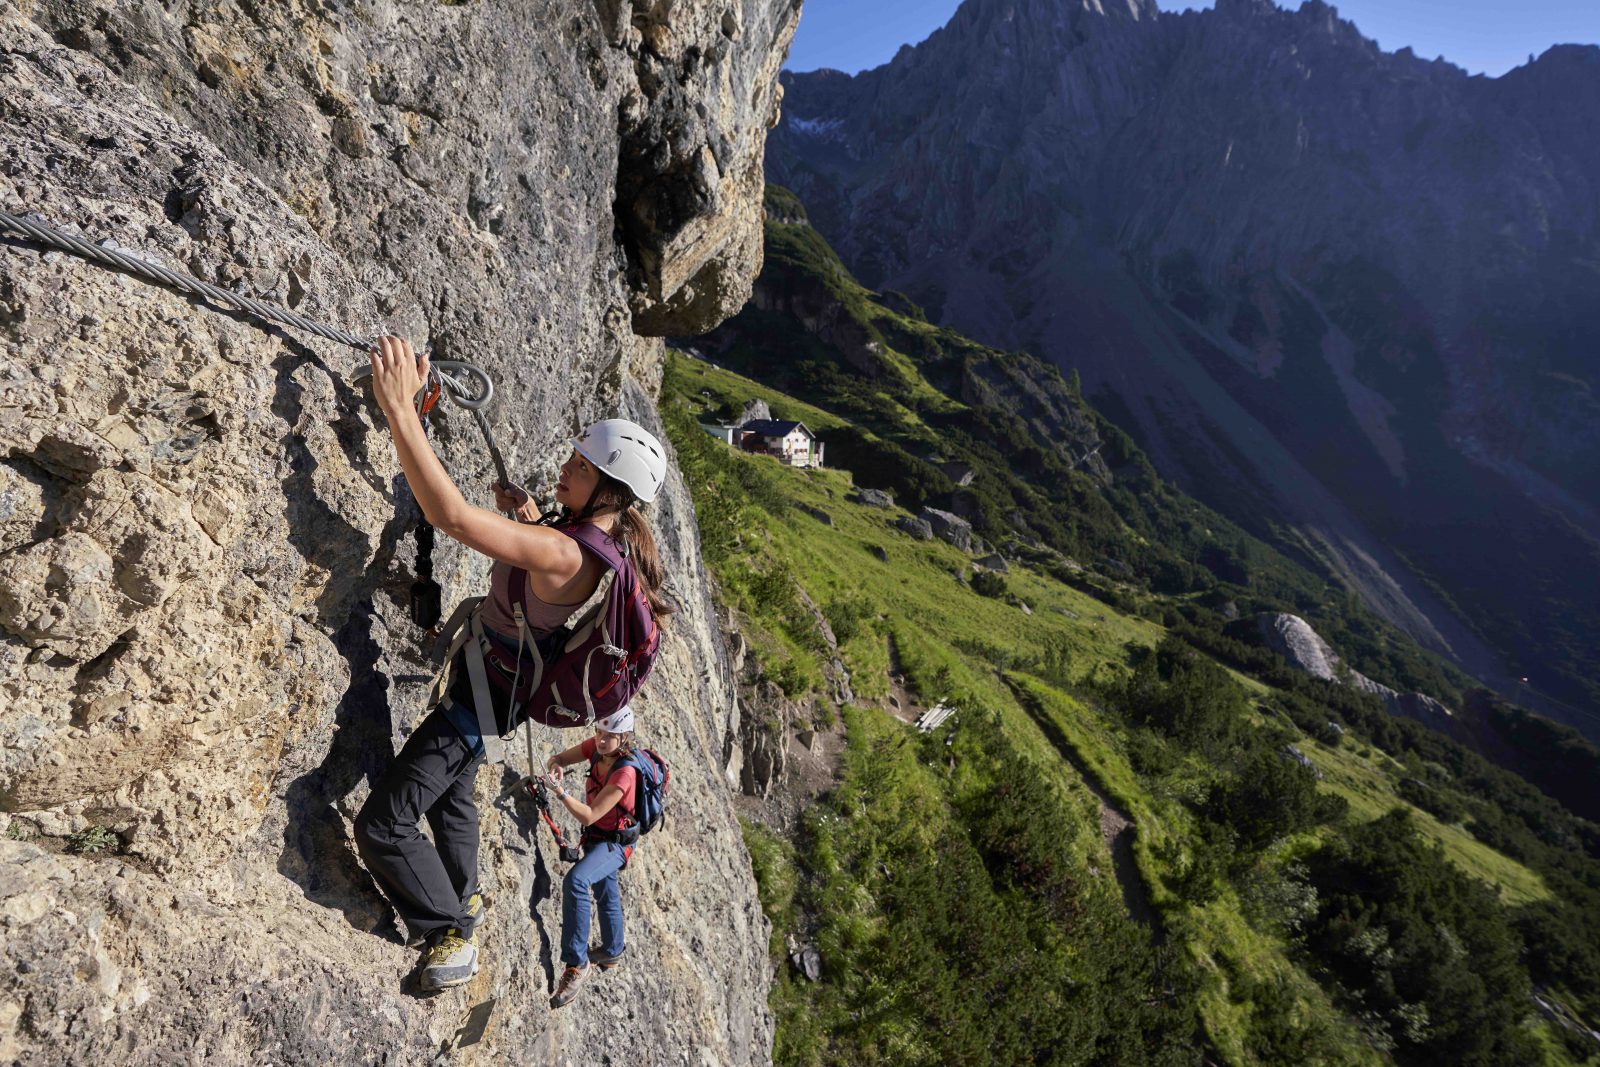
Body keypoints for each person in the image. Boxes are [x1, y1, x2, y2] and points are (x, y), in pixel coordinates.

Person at [353, 335, 672, 992]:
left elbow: (454, 518)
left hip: (483, 693)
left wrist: (401, 411)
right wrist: (530, 518)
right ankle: (464, 894)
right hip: (497, 688)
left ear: (606, 488)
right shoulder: (595, 547)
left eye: (579, 466)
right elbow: (552, 572)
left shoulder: (565, 555)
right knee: (452, 796)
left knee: (383, 822)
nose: (566, 468)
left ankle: (448, 929)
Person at [544, 705, 643, 1008]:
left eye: (609, 735)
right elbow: (559, 757)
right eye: (599, 732)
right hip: (600, 838)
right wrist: (556, 764)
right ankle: (612, 950)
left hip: (614, 843)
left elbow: (589, 815)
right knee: (605, 890)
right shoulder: (598, 749)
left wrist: (560, 793)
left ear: (623, 737)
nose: (601, 739)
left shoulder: (625, 773)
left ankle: (577, 964)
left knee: (577, 881)